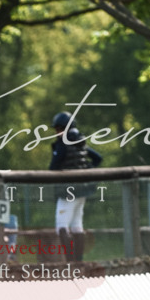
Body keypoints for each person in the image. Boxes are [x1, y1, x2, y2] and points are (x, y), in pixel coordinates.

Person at [49, 111, 102, 262]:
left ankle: (70, 261)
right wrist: (87, 169)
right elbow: (98, 158)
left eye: (59, 128)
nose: (56, 132)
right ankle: (78, 261)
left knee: (61, 226)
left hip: (68, 190)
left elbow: (53, 167)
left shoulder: (63, 144)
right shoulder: (81, 142)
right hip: (82, 189)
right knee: (77, 225)